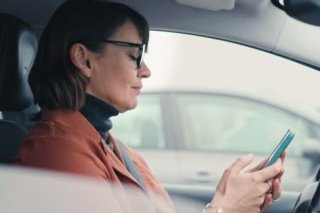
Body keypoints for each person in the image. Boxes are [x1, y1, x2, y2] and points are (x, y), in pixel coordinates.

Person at [14, 0, 286, 212]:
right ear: (84, 60)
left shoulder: (110, 146)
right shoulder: (54, 154)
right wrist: (225, 209)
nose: (145, 70)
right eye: (135, 55)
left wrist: (231, 201)